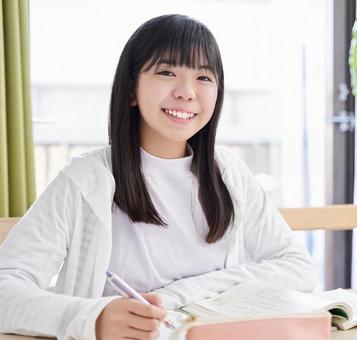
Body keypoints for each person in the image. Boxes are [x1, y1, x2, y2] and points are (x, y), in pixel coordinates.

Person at [0, 14, 315, 340]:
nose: (187, 92)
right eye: (167, 72)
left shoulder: (229, 174)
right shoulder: (87, 180)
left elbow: (297, 267)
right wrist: (93, 317)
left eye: (204, 77)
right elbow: (4, 290)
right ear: (131, 90)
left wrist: (178, 295)